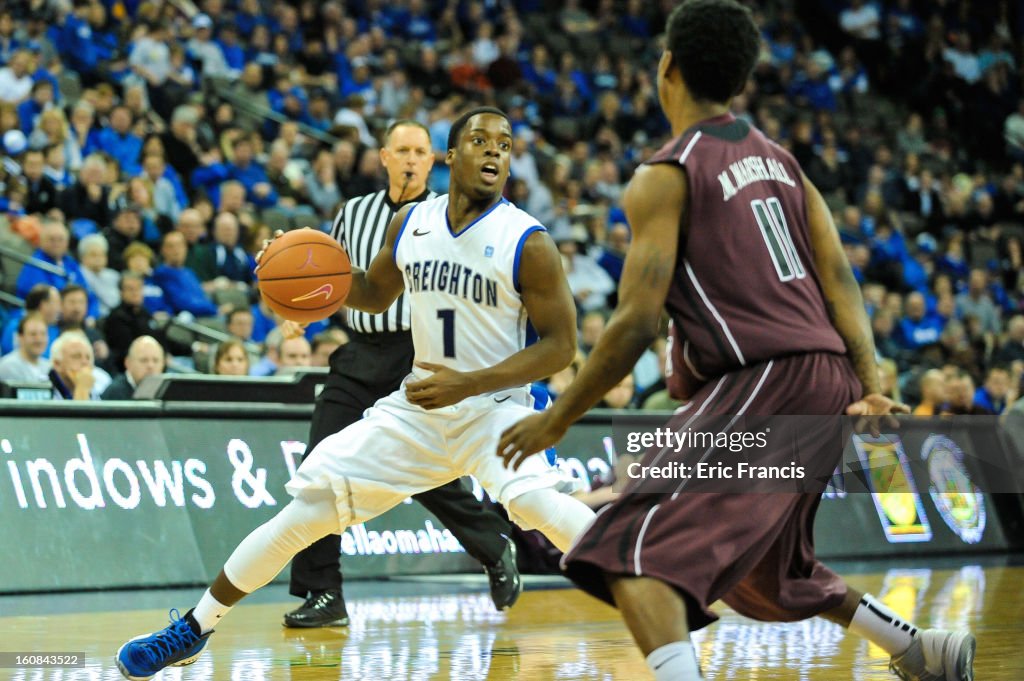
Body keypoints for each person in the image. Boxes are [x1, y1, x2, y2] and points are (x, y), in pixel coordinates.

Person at [497, 4, 975, 681]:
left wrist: (558, 414)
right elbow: (839, 277)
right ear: (741, 82)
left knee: (629, 548)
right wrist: (869, 382)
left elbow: (634, 323)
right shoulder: (783, 163)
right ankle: (920, 648)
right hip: (826, 379)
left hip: (764, 379)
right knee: (770, 571)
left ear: (667, 67)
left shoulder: (666, 174)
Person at [116, 107, 595, 678]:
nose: (494, 151)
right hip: (419, 408)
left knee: (535, 506)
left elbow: (561, 347)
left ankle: (663, 576)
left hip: (492, 408)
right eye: (479, 140)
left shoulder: (527, 240)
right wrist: (300, 274)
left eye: (505, 144)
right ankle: (195, 628)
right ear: (451, 155)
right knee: (304, 514)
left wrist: (469, 383)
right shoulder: (412, 223)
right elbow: (370, 292)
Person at [280, 119, 522, 630]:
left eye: (420, 151)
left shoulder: (445, 215)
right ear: (384, 157)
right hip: (358, 350)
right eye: (402, 150)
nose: (412, 159)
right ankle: (324, 593)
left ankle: (494, 544)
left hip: (419, 351)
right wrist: (296, 300)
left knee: (429, 477)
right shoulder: (353, 212)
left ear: (433, 161)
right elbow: (333, 277)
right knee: (321, 463)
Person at [101, 335, 165, 400]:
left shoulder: (166, 391)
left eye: (156, 360)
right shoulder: (114, 393)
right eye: (144, 360)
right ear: (128, 363)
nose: (150, 366)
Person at [0, 313, 51, 382]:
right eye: (33, 334)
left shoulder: (49, 367)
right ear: (20, 337)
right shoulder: (7, 366)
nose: (39, 339)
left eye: (43, 334)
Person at [49, 330, 97, 400]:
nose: (85, 362)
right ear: (57, 364)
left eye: (88, 357)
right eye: (76, 356)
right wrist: (82, 388)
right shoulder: (41, 388)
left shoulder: (91, 387)